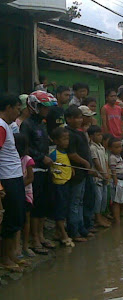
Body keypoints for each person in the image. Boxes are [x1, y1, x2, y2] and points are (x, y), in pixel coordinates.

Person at [20, 91, 57, 255]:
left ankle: (41, 236)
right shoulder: (27, 125)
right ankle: (34, 239)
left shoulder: (42, 124)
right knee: (35, 208)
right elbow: (26, 149)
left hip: (45, 168)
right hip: (34, 169)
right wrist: (41, 157)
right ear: (35, 106)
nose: (46, 110)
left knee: (44, 205)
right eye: (44, 107)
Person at [0, 94, 26, 272]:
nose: (19, 111)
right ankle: (5, 259)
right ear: (8, 107)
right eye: (17, 107)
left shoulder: (8, 126)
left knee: (17, 217)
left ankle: (10, 255)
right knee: (10, 219)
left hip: (14, 177)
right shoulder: (1, 127)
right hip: (7, 179)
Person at [65, 106, 92, 243]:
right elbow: (72, 154)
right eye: (76, 118)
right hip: (76, 172)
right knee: (75, 202)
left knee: (80, 201)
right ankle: (74, 231)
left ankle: (82, 228)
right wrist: (85, 163)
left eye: (80, 117)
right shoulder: (68, 134)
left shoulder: (79, 133)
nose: (79, 120)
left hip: (83, 173)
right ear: (68, 119)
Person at [49, 127, 75, 248]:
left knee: (64, 208)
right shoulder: (53, 154)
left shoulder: (64, 152)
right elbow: (51, 167)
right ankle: (64, 235)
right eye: (64, 139)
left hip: (66, 183)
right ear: (56, 141)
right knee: (60, 210)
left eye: (67, 139)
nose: (67, 141)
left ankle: (58, 232)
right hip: (58, 185)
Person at [14, 134, 35, 258]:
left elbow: (30, 178)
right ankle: (17, 247)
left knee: (26, 220)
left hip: (26, 193)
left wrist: (18, 187)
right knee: (17, 220)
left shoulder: (27, 159)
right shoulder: (11, 159)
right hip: (17, 192)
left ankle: (25, 246)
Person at [88, 125, 111, 228]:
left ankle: (101, 216)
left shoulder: (101, 147)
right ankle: (97, 218)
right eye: (98, 135)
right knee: (98, 198)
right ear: (91, 136)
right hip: (97, 177)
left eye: (101, 134)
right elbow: (96, 162)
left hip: (104, 177)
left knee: (104, 198)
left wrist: (107, 172)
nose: (100, 137)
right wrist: (103, 173)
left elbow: (105, 161)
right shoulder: (92, 148)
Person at [108, 138, 123, 224]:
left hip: (120, 180)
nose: (119, 149)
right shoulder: (112, 157)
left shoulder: (118, 156)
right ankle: (117, 220)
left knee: (118, 201)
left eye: (120, 147)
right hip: (117, 181)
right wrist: (115, 181)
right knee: (116, 202)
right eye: (116, 147)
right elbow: (113, 170)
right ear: (110, 148)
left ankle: (117, 218)